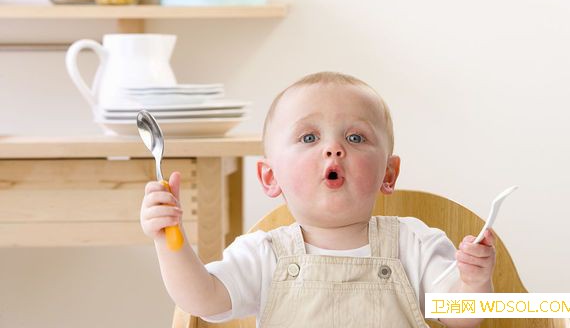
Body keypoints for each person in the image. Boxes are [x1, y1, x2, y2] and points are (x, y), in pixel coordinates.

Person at [141, 71, 496, 328]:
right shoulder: (263, 254)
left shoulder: (415, 244)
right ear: (271, 177)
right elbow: (202, 300)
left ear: (388, 174)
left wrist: (475, 281)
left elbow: (462, 316)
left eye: (356, 138)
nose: (333, 148)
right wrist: (169, 240)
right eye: (309, 137)